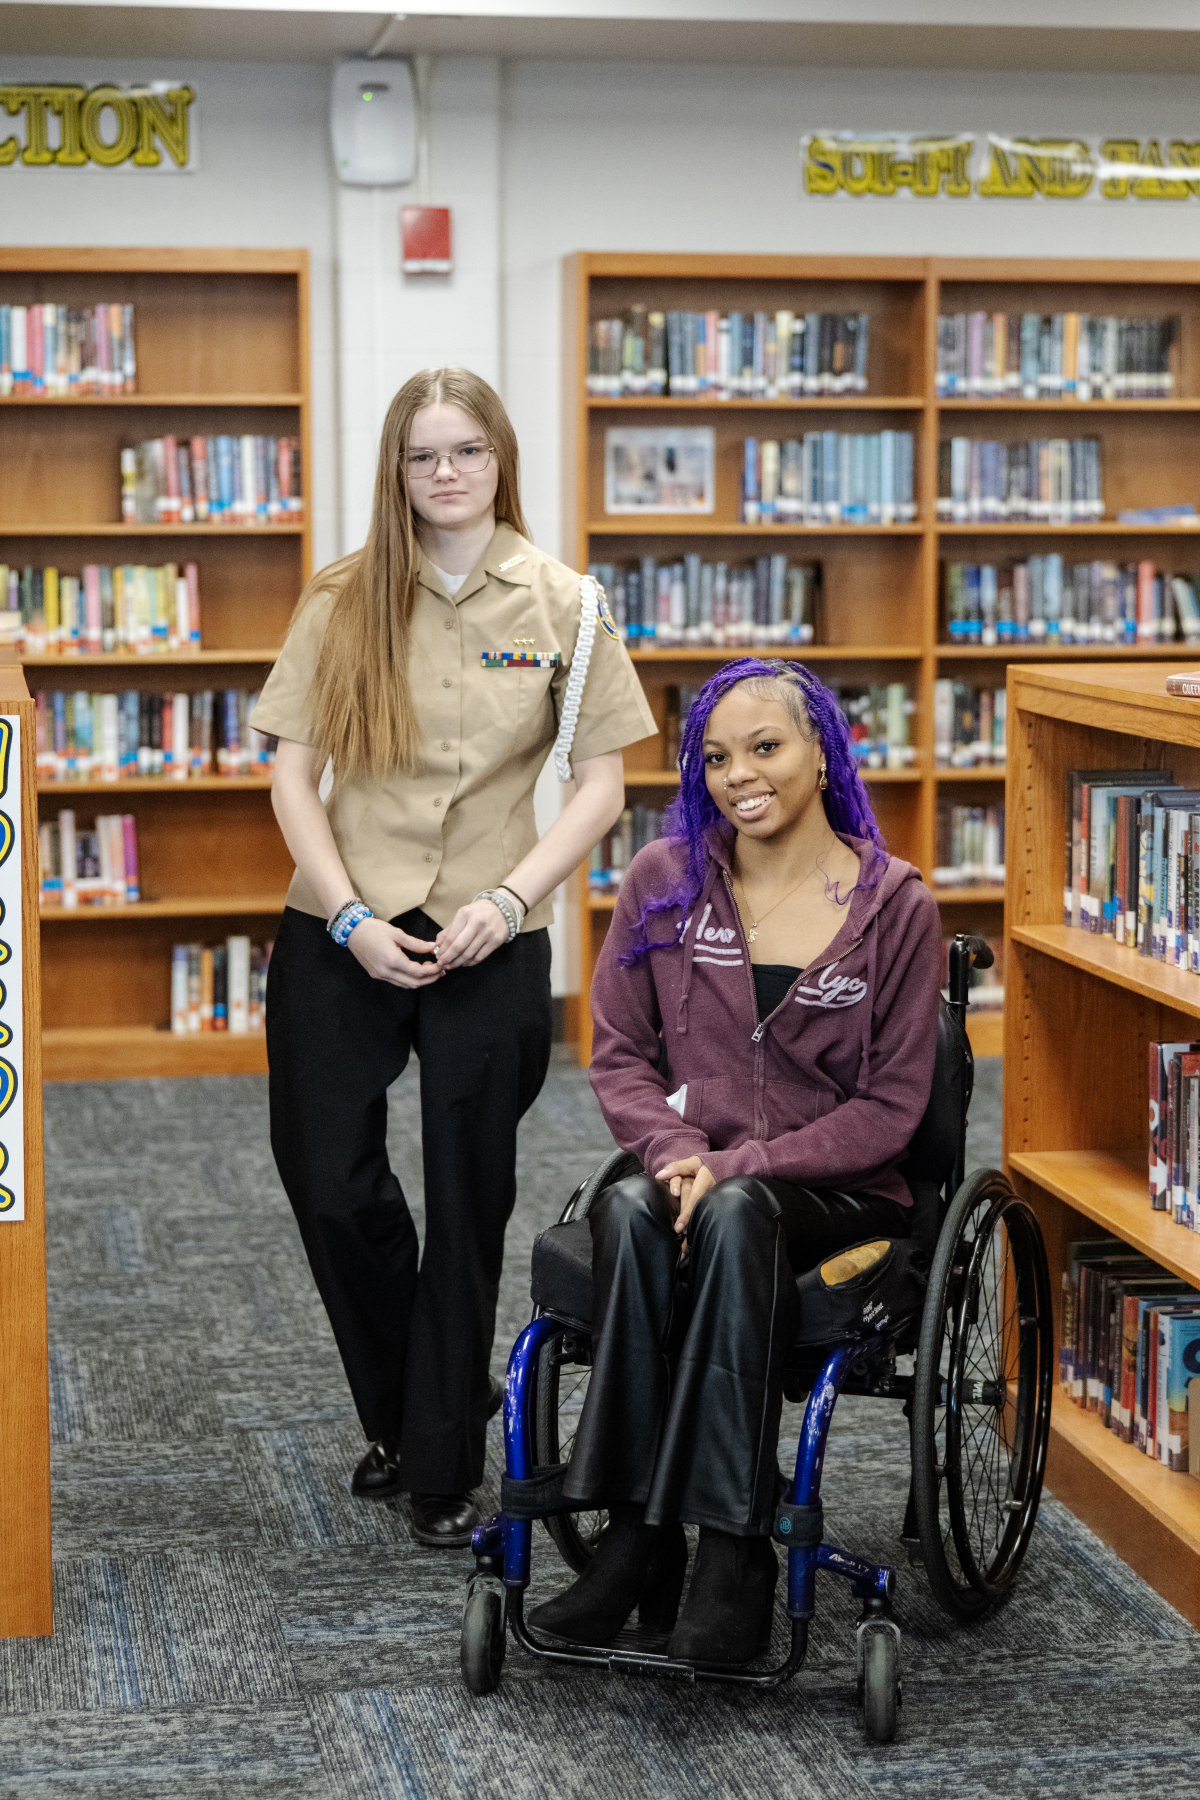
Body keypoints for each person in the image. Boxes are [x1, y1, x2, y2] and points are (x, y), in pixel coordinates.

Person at [251, 367, 655, 1546]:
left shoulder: (567, 605)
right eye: (423, 456)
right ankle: (420, 1400)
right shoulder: (341, 598)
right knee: (329, 1181)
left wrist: (512, 893)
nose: (444, 475)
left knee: (468, 1197)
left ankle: (436, 1459)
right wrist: (348, 922)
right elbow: (291, 776)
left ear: (499, 460)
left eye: (465, 452)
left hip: (496, 930)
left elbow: (601, 785)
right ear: (397, 470)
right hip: (342, 923)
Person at [529, 658, 941, 1661]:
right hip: (686, 1167)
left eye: (765, 747)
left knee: (732, 1211)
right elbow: (620, 1053)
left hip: (834, 1190)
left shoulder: (892, 905)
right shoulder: (662, 883)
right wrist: (675, 1149)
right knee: (628, 1209)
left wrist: (748, 1162)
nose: (738, 774)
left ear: (821, 754)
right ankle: (634, 1541)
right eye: (715, 756)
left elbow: (891, 1109)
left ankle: (732, 1549)